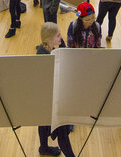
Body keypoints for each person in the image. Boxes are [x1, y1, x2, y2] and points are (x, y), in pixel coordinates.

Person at [36, 23, 73, 157]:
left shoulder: (45, 49)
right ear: (49, 39)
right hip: (51, 100)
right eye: (58, 35)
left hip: (46, 99)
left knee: (43, 123)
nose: (61, 37)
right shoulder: (47, 57)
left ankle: (43, 148)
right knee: (62, 130)